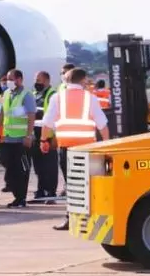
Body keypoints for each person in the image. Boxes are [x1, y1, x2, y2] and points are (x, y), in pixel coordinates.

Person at [42, 67, 110, 230]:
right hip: (87, 148)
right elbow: (102, 125)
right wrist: (107, 145)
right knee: (89, 185)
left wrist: (43, 140)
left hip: (66, 148)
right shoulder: (90, 98)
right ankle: (90, 219)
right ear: (83, 80)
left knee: (71, 185)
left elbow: (47, 123)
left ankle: (71, 219)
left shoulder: (57, 98)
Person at [0, 69, 36, 207]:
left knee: (21, 169)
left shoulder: (27, 95)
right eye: (8, 79)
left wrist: (28, 135)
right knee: (6, 162)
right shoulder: (6, 94)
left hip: (21, 139)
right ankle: (15, 192)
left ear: (19, 79)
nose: (8, 82)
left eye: (11, 79)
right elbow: (1, 113)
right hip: (7, 138)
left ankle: (20, 198)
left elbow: (31, 116)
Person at [32, 71, 58, 203]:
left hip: (48, 136)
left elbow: (55, 116)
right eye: (36, 80)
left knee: (50, 167)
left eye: (39, 80)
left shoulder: (52, 95)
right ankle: (41, 191)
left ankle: (51, 192)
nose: (36, 82)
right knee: (39, 167)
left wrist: (54, 137)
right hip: (36, 135)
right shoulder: (35, 94)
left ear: (47, 81)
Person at [57, 63, 75, 196]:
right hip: (64, 134)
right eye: (62, 73)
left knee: (76, 164)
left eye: (65, 72)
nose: (63, 75)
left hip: (79, 134)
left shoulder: (81, 88)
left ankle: (75, 187)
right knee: (63, 162)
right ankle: (68, 185)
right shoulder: (61, 88)